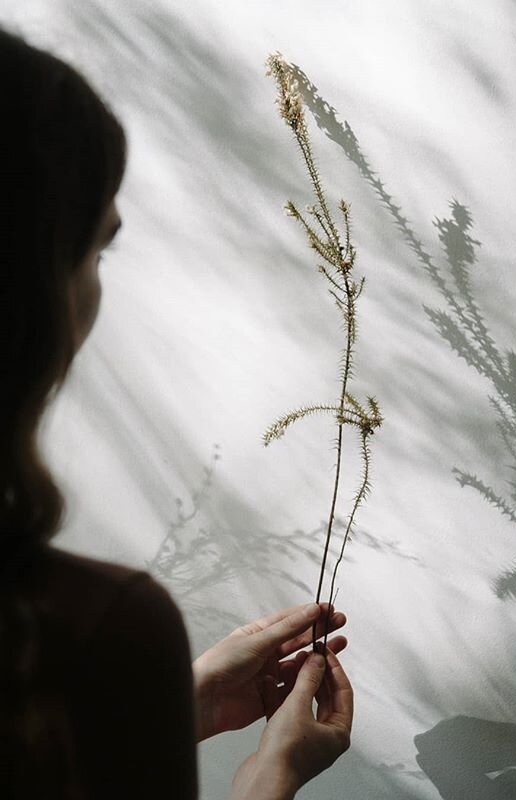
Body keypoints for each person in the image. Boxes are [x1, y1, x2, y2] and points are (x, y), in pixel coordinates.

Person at [0, 28, 353, 799]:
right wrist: (270, 778)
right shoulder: (93, 625)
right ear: (29, 294)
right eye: (97, 252)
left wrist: (160, 708)